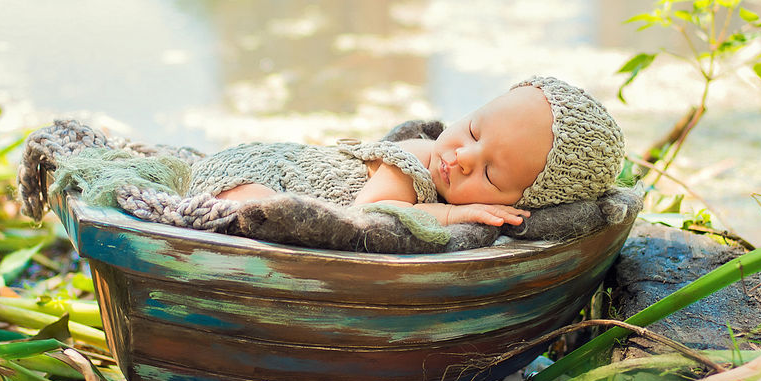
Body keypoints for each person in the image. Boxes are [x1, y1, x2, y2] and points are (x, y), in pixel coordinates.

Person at [189, 76, 624, 226]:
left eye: (490, 174)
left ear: (523, 202)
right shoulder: (418, 157)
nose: (464, 156)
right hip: (263, 172)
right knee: (260, 213)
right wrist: (451, 215)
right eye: (472, 130)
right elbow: (369, 213)